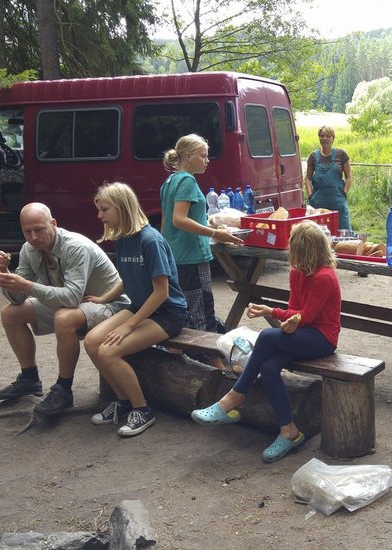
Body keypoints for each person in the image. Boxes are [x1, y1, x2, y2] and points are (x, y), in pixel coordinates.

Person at [190, 222, 341, 462]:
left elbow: (308, 316)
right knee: (269, 368)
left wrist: (271, 311)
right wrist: (286, 320)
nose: (289, 250)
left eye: (293, 246)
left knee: (267, 336)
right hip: (300, 335)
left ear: (304, 249)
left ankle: (235, 395)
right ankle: (289, 431)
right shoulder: (296, 272)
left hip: (321, 338)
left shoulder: (324, 277)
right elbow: (295, 310)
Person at [0, 203, 130, 416]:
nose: (34, 237)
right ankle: (29, 378)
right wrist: (5, 275)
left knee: (64, 318)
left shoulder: (74, 246)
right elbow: (18, 299)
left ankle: (63, 389)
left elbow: (71, 298)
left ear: (53, 224)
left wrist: (26, 285)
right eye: (27, 231)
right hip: (76, 304)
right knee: (11, 313)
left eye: (39, 229)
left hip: (111, 305)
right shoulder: (29, 249)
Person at [84, 182, 188, 437]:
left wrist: (129, 325)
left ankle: (142, 410)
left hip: (167, 313)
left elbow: (161, 292)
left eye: (104, 210)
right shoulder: (122, 237)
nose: (100, 216)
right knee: (91, 341)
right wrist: (103, 299)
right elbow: (127, 277)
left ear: (122, 208)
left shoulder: (149, 240)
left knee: (108, 352)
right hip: (141, 307)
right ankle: (122, 401)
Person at [160, 134, 243, 369]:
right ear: (188, 156)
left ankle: (172, 365)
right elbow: (178, 220)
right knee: (202, 314)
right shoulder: (186, 180)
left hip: (176, 256)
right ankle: (218, 372)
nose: (207, 160)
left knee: (183, 312)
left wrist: (212, 227)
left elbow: (167, 222)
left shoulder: (170, 180)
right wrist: (216, 234)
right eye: (203, 155)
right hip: (191, 257)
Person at [304, 126, 353, 230]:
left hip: (338, 201)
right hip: (318, 202)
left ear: (333, 138)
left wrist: (344, 193)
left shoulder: (341, 154)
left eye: (328, 136)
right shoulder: (313, 156)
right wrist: (310, 196)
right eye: (322, 136)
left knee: (343, 230)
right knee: (317, 232)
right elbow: (307, 179)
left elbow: (349, 177)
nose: (324, 138)